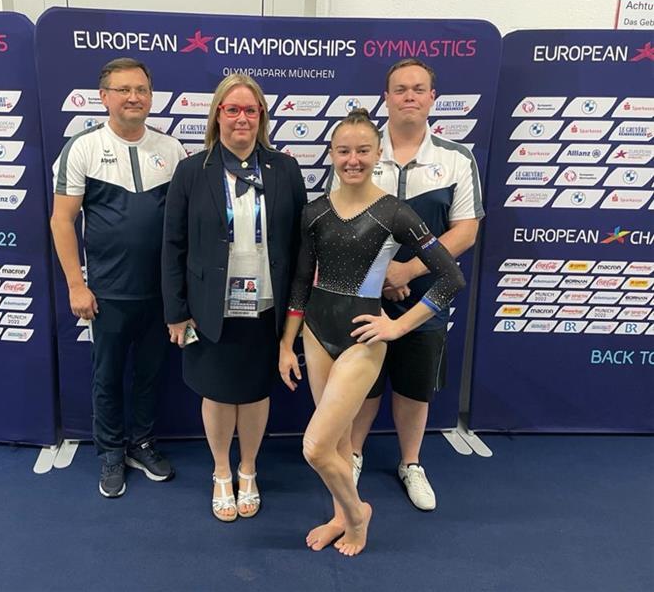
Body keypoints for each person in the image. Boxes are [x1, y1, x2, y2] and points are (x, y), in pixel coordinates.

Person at [279, 109, 464, 556]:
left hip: (363, 338)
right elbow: (302, 282)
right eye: (344, 151)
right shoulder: (315, 212)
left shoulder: (395, 212)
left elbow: (450, 277)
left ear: (377, 154)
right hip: (316, 334)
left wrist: (398, 325)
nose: (353, 159)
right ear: (332, 154)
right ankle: (341, 515)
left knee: (316, 446)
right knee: (339, 442)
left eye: (363, 150)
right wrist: (287, 342)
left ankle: (357, 516)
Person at [162, 74, 306, 522]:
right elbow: (173, 244)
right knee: (219, 394)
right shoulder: (192, 170)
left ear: (261, 116)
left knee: (256, 392)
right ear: (217, 116)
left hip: (267, 307)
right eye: (232, 109)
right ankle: (222, 471)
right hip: (211, 308)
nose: (241, 118)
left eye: (250, 110)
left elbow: (302, 246)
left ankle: (249, 468)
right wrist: (177, 312)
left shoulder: (284, 168)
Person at [347, 58, 484, 511]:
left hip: (427, 296)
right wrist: (380, 276)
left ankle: (411, 463)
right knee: (363, 379)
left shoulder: (455, 159)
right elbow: (342, 218)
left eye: (418, 89)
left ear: (432, 99)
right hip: (366, 292)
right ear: (385, 98)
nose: (409, 96)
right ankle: (351, 455)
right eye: (399, 88)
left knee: (413, 384)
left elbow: (465, 230)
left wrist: (407, 272)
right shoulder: (360, 150)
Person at [50, 57, 186, 498]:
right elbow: (62, 221)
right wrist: (76, 283)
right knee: (107, 376)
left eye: (142, 89)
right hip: (106, 293)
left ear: (151, 96)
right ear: (104, 97)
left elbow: (184, 227)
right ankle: (110, 451)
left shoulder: (172, 151)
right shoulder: (82, 147)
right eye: (123, 89)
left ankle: (141, 442)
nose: (134, 97)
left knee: (150, 374)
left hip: (159, 294)